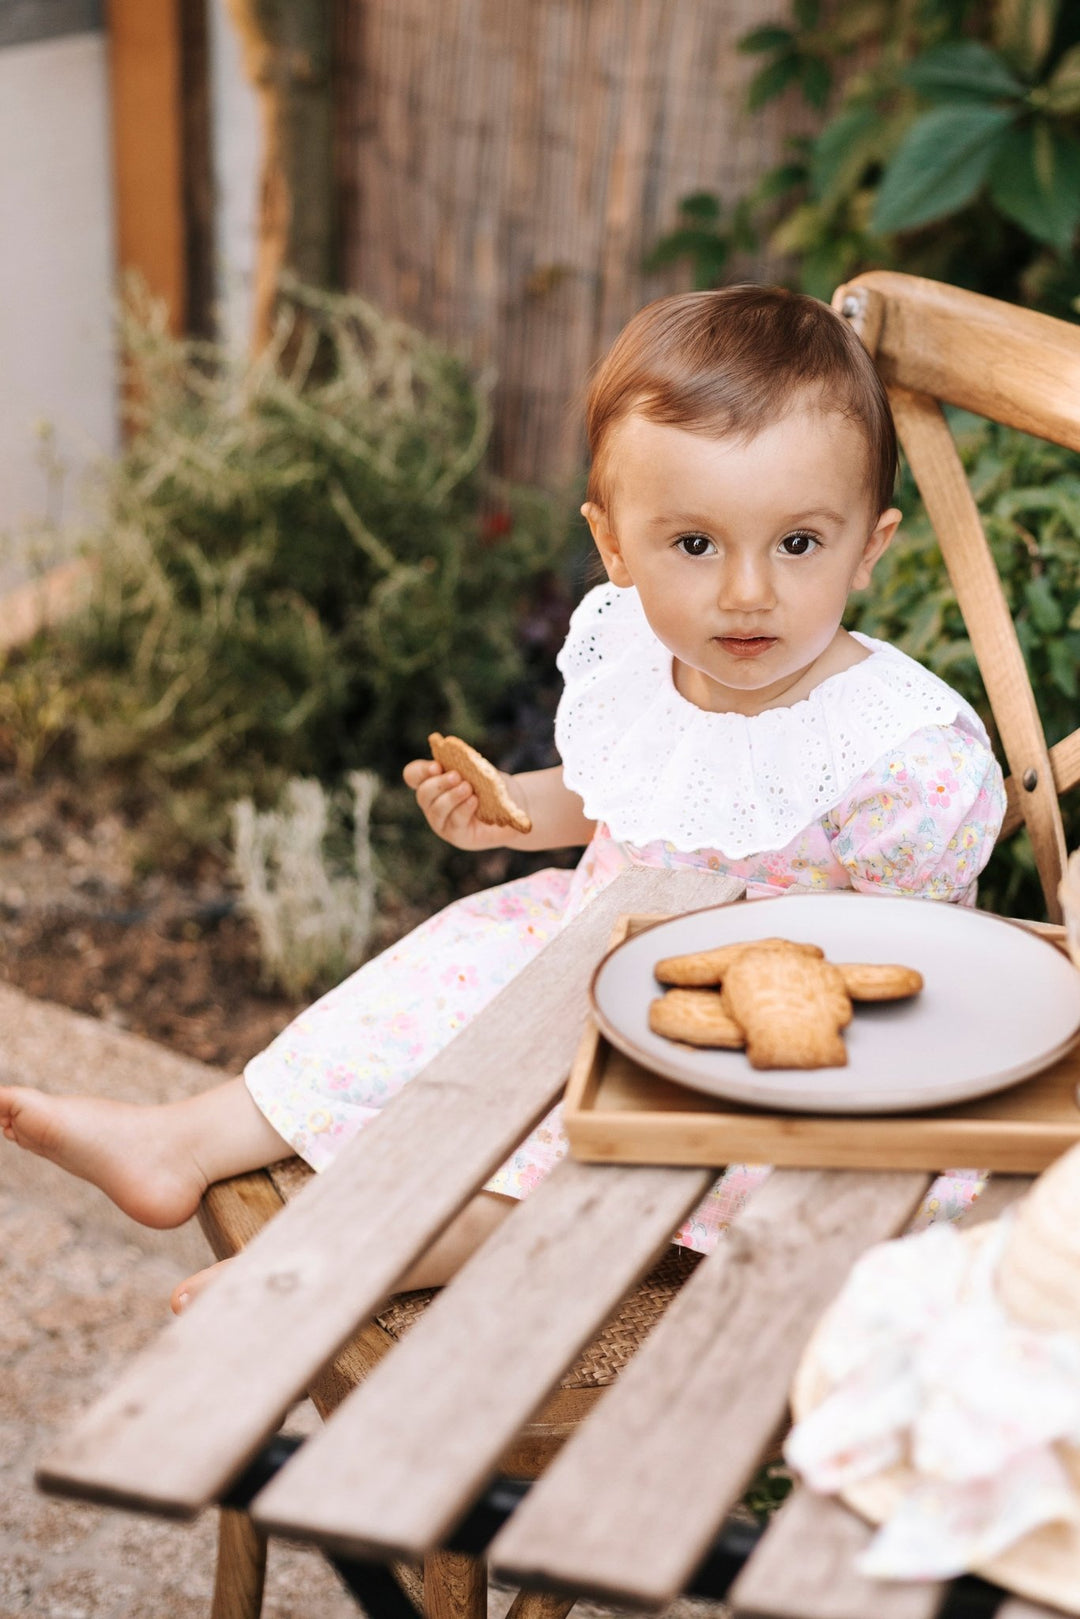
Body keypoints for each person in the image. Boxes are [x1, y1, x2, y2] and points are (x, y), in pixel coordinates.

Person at [0, 286, 1007, 1312]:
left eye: (798, 544)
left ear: (868, 548)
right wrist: (514, 810)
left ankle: (323, 1263)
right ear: (615, 547)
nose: (747, 592)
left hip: (750, 1064)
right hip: (586, 949)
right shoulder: (648, 665)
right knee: (429, 983)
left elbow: (918, 967)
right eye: (694, 545)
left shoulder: (897, 752)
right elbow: (622, 797)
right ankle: (188, 1137)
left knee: (570, 1153)